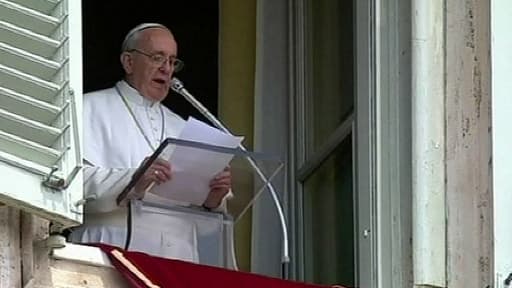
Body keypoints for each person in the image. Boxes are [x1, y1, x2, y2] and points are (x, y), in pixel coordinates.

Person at [69, 23, 232, 263]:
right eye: (157, 58)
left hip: (179, 259)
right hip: (109, 248)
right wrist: (133, 180)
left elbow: (207, 228)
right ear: (128, 62)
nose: (166, 69)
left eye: (172, 61)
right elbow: (70, 186)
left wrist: (213, 199)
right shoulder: (86, 109)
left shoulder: (185, 128)